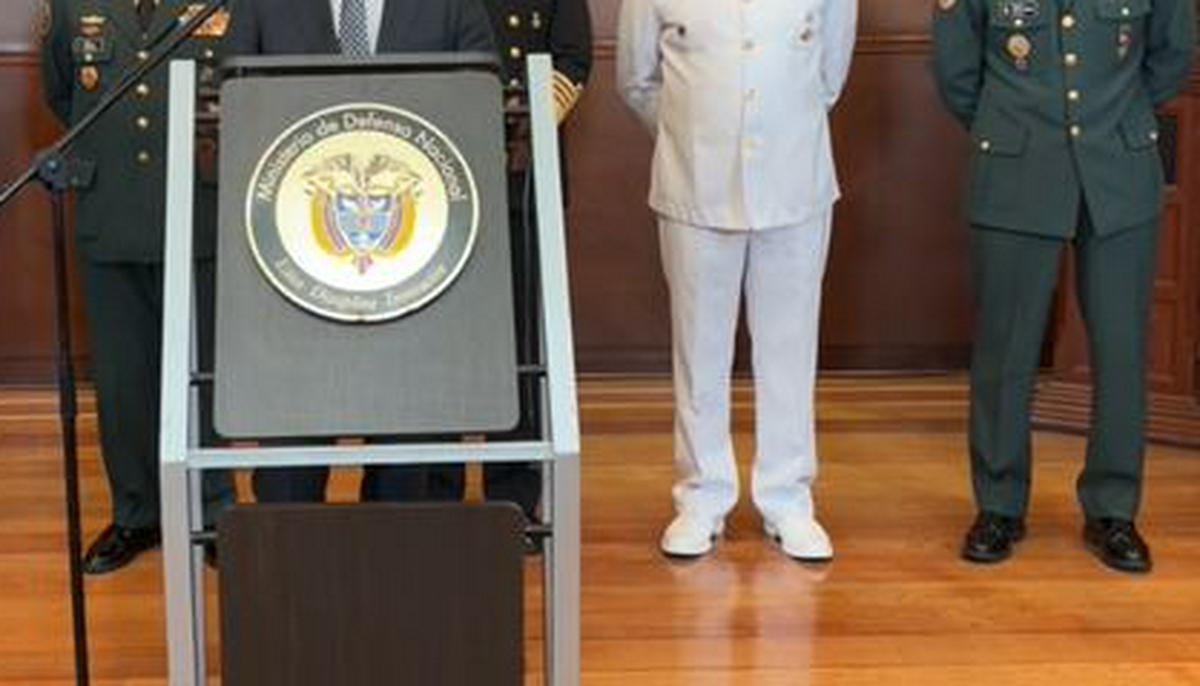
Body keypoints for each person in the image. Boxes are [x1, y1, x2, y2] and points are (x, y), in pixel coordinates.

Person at [933, 0, 1195, 573]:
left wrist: (1118, 118)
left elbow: (1172, 53)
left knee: (1122, 351)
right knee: (1005, 349)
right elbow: (956, 70)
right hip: (1016, 166)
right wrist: (1012, 129)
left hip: (1118, 166)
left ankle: (1113, 510)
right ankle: (999, 504)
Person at [226, 0, 497, 504]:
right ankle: (288, 541)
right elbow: (231, 104)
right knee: (291, 468)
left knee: (411, 467)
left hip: (420, 267)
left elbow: (480, 102)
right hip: (293, 265)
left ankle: (404, 539)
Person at [617, 0, 858, 560]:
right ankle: (700, 498)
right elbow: (636, 79)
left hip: (793, 179)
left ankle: (788, 499)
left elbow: (828, 77)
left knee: (790, 349)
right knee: (698, 350)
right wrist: (695, 131)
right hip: (694, 182)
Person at [39, 0, 236, 575]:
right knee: (123, 380)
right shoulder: (70, 5)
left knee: (206, 374)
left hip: (200, 210)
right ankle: (136, 513)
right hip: (113, 208)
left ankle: (215, 510)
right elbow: (62, 94)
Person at [453, 0, 592, 524]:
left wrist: (524, 123)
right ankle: (434, 489)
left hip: (521, 171)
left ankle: (512, 492)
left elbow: (572, 58)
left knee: (520, 345)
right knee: (435, 340)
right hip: (435, 171)